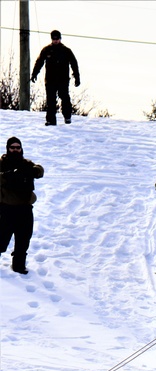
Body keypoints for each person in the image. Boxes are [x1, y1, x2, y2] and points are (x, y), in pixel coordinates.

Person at [0, 137, 44, 275]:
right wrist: (8, 175)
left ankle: (19, 265)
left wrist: (32, 171)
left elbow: (40, 170)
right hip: (6, 208)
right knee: (1, 239)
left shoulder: (26, 163)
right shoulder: (1, 163)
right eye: (12, 147)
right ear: (8, 149)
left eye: (17, 147)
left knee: (24, 239)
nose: (15, 150)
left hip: (25, 208)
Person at [31, 30, 80, 126]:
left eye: (57, 39)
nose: (56, 41)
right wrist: (34, 74)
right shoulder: (46, 50)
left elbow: (74, 64)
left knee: (65, 98)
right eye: (54, 39)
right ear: (51, 39)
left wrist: (77, 77)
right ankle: (50, 120)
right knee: (51, 100)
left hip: (63, 79)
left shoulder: (66, 51)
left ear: (60, 39)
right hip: (50, 80)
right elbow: (39, 62)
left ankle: (67, 117)